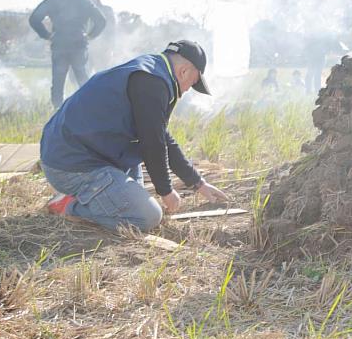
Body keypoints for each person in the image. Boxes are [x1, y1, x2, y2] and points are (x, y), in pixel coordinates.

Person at [41, 40, 229, 233]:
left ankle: (93, 197)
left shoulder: (152, 71)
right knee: (146, 216)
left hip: (89, 152)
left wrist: (198, 183)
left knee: (133, 198)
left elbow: (161, 137)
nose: (189, 89)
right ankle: (69, 205)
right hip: (71, 164)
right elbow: (152, 144)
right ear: (184, 71)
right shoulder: (152, 83)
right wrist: (165, 191)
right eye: (194, 82)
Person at [29, 0, 107, 108]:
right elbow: (101, 20)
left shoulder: (52, 0)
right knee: (82, 79)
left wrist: (47, 35)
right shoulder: (83, 1)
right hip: (79, 45)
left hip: (59, 45)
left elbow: (34, 19)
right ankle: (89, 109)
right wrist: (90, 35)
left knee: (58, 82)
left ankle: (57, 112)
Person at [83, 0, 117, 72]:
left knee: (102, 75)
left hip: (103, 49)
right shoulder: (80, 11)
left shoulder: (107, 10)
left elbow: (112, 31)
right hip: (85, 48)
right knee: (84, 78)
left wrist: (111, 48)